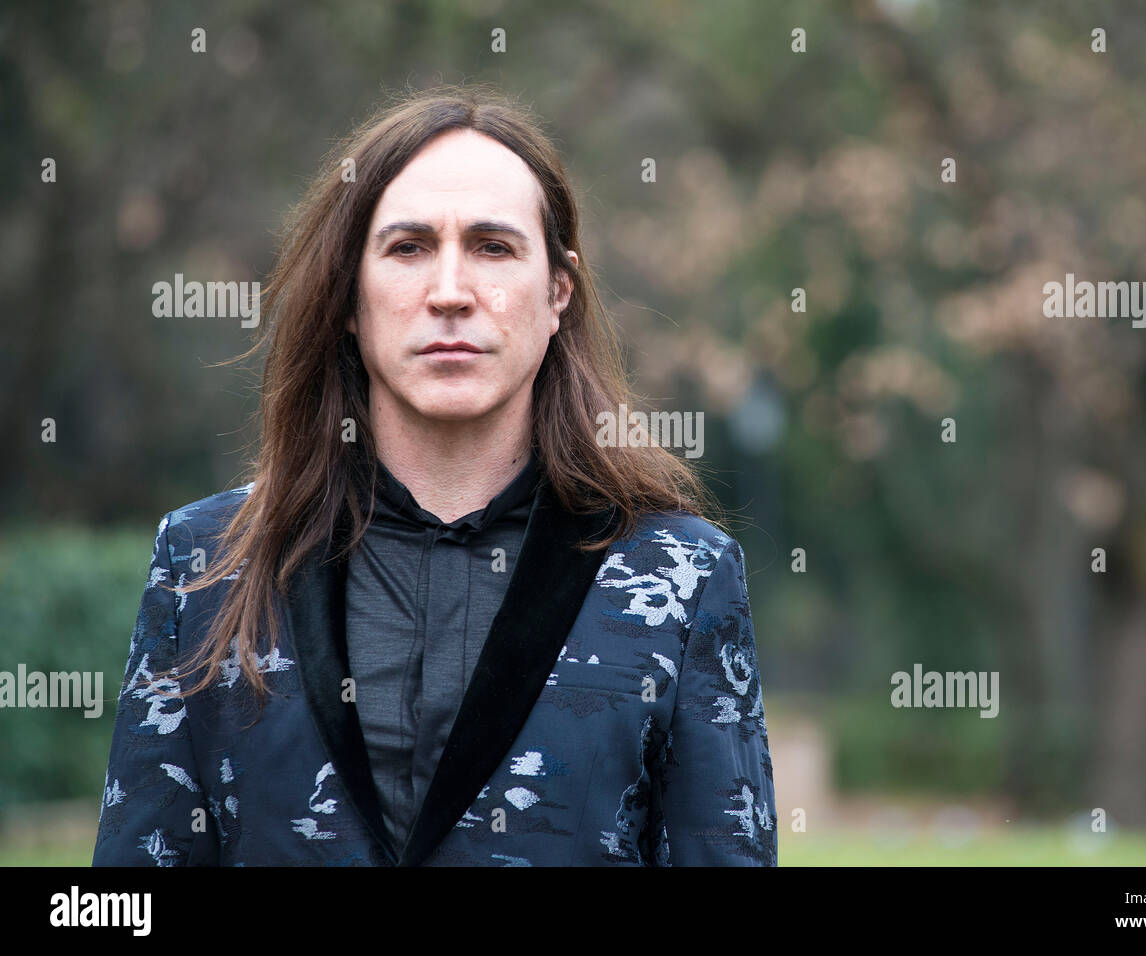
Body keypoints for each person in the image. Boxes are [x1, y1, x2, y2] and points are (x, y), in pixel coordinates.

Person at [92, 85, 776, 867]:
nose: (450, 293)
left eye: (493, 246)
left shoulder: (679, 576)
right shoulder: (206, 561)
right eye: (408, 247)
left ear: (558, 291)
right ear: (350, 294)